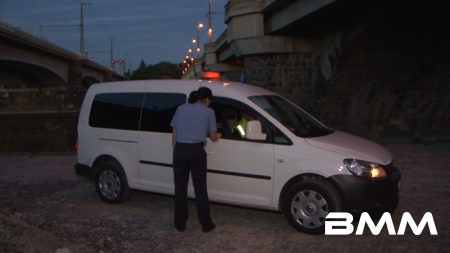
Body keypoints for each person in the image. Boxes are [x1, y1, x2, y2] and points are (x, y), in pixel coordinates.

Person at [170, 87, 221, 233]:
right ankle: (206, 224)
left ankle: (180, 224)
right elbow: (212, 136)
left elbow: (174, 133)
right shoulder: (208, 112)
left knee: (180, 189)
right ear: (205, 99)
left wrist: (177, 150)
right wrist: (219, 136)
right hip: (197, 152)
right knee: (200, 189)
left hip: (180, 150)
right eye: (209, 100)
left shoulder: (180, 109)